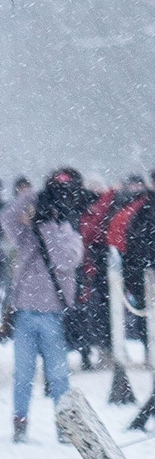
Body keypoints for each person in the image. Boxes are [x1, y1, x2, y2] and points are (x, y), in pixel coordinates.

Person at [5, 171, 84, 441]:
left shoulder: (70, 233)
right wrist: (32, 194)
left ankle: (64, 427)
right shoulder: (27, 233)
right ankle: (20, 423)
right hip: (25, 311)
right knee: (23, 375)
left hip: (54, 314)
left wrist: (48, 224)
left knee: (59, 376)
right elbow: (6, 218)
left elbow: (65, 260)